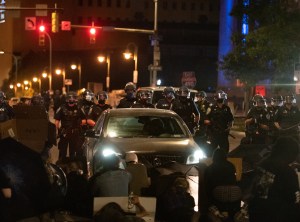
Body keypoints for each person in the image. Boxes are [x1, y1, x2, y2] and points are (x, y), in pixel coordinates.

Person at [248, 136, 300, 222]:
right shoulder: (287, 172)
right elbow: (295, 199)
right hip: (276, 215)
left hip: (255, 211)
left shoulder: (263, 163)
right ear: (290, 154)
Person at [202, 148, 240, 222]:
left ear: (214, 157)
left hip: (217, 195)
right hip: (232, 194)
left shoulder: (210, 168)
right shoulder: (231, 165)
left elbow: (207, 185)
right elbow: (234, 180)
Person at [54, 91, 86, 160]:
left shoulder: (79, 108)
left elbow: (84, 119)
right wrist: (59, 130)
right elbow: (56, 121)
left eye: (73, 99)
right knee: (62, 152)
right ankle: (61, 167)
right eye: (69, 99)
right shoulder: (62, 108)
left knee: (73, 153)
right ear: (66, 100)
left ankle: (73, 168)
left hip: (75, 133)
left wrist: (80, 123)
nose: (71, 101)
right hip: (64, 133)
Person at [205, 90, 234, 154]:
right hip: (213, 134)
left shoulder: (227, 108)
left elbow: (231, 119)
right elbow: (206, 120)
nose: (220, 98)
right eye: (219, 97)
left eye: (222, 97)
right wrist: (211, 123)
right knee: (210, 152)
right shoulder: (211, 108)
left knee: (225, 151)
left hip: (223, 134)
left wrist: (229, 127)